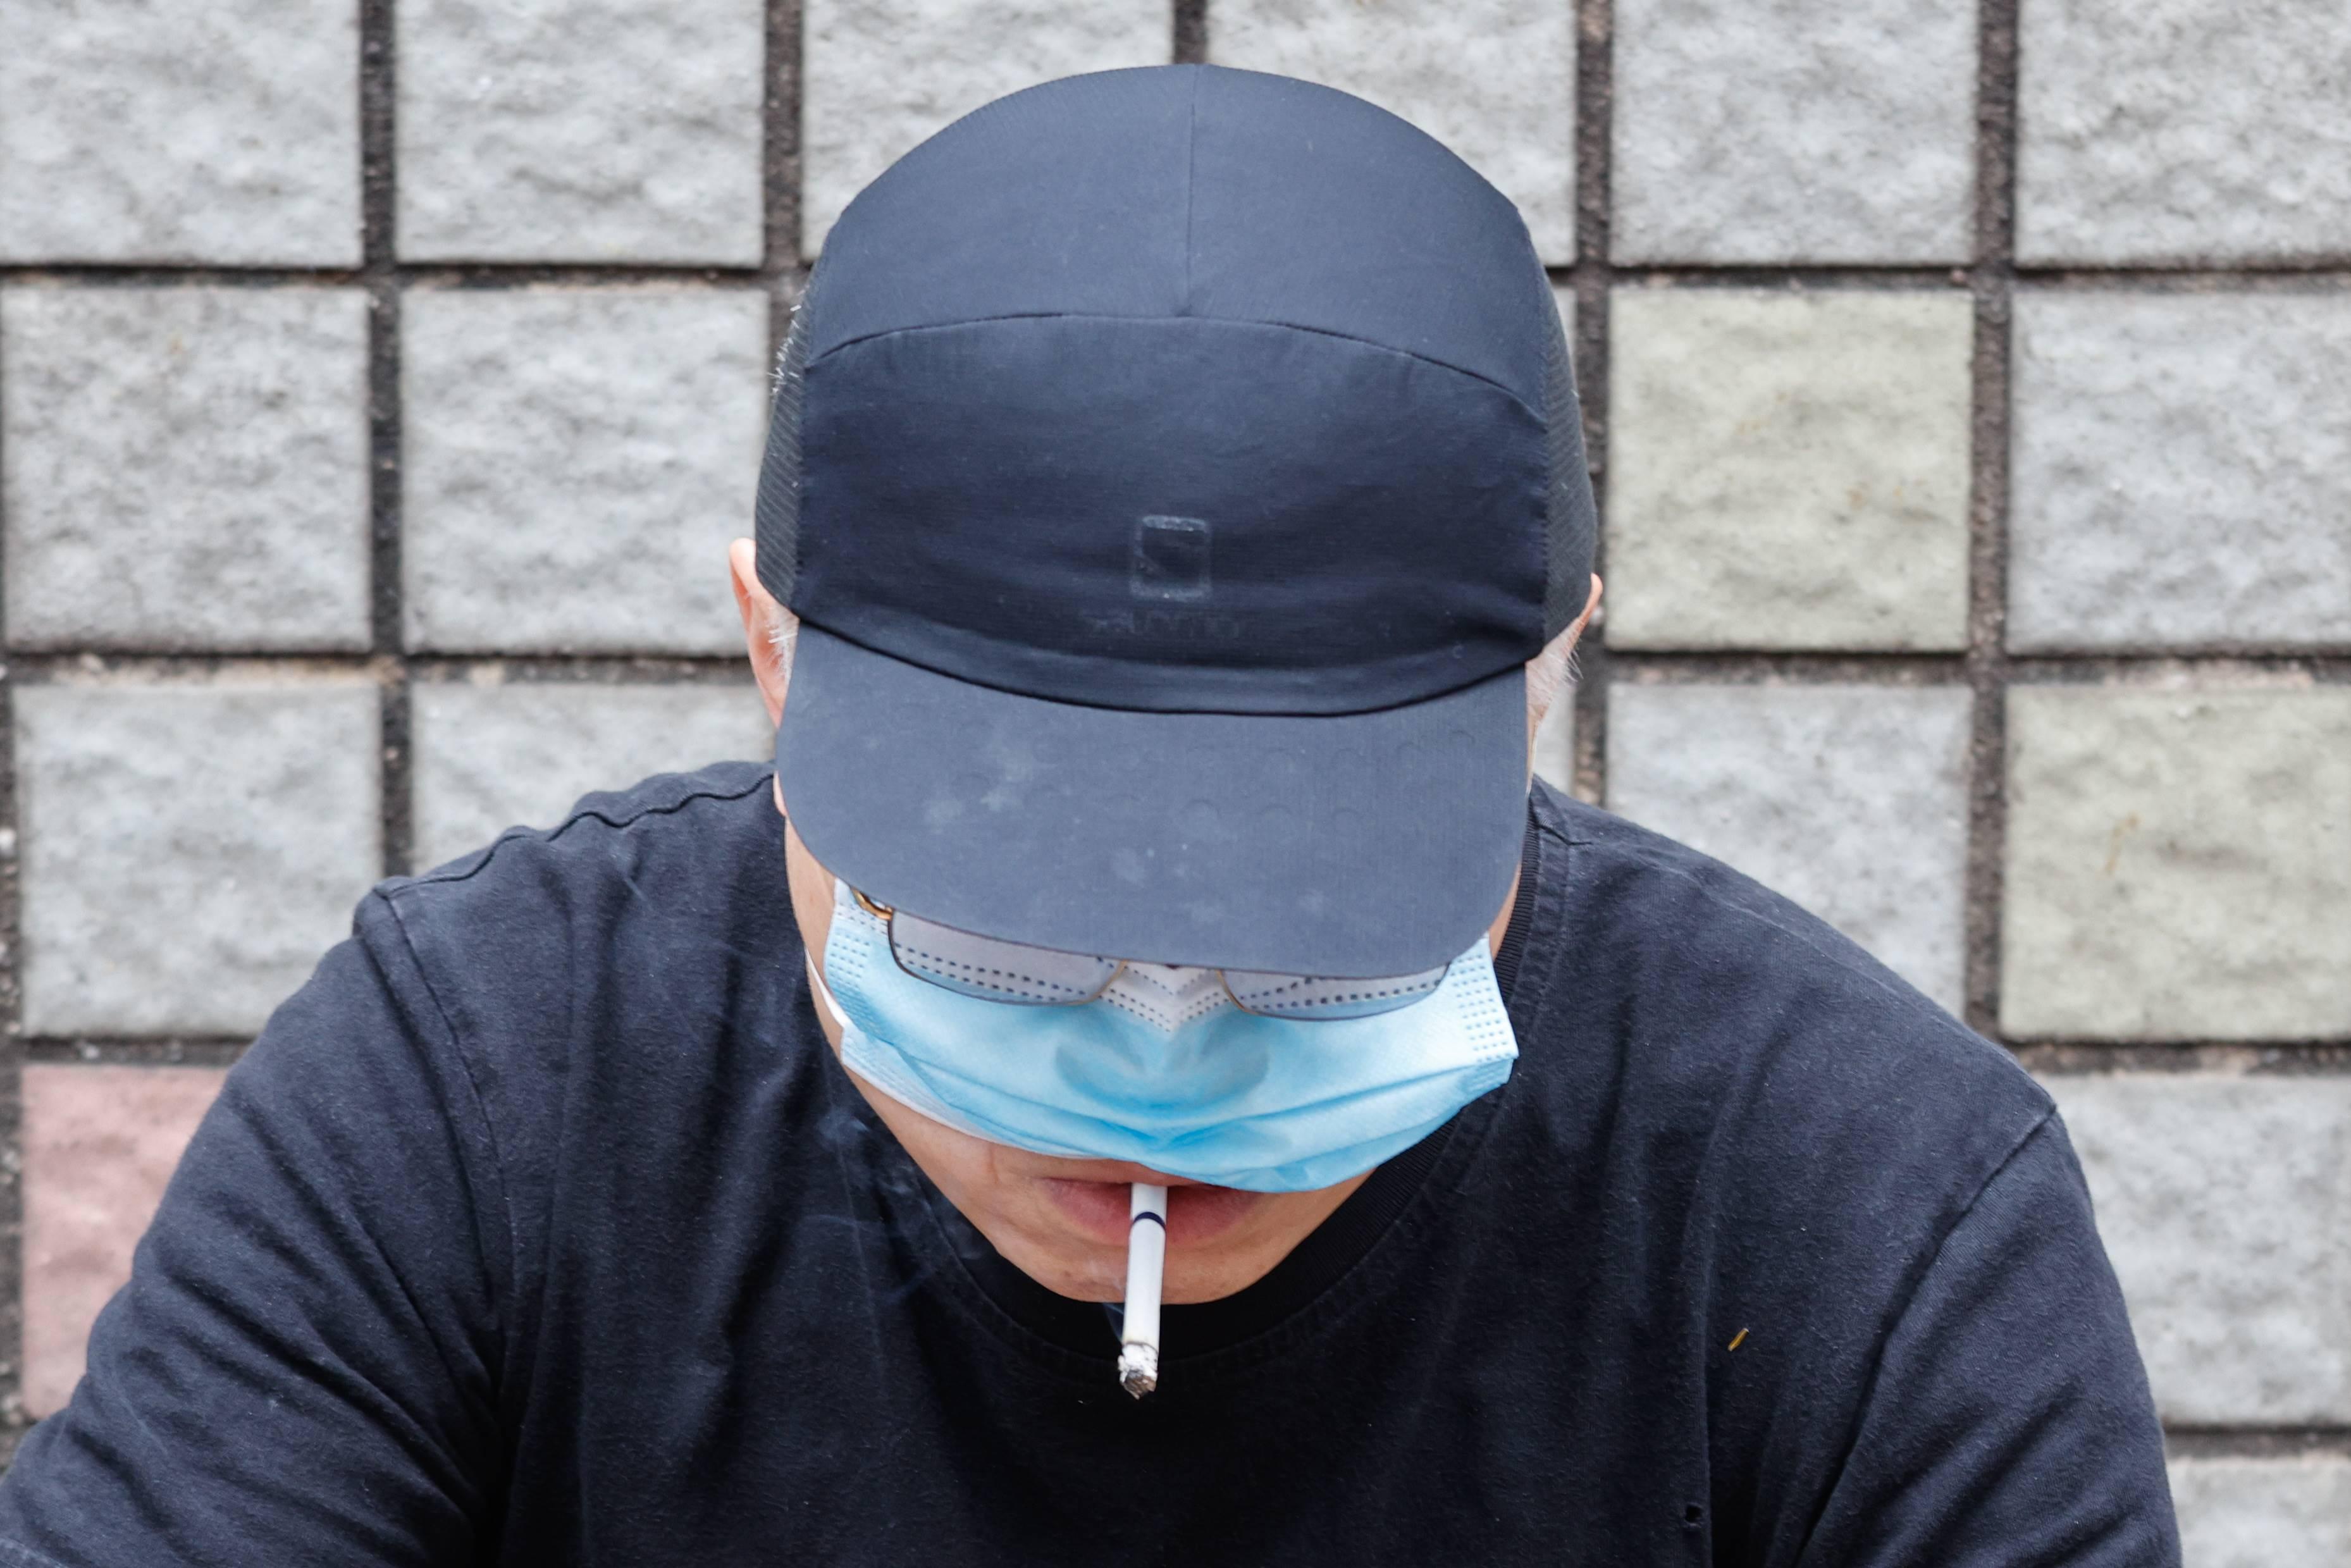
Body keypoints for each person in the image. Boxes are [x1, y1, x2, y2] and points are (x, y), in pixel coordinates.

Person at [0, 65, 2178, 1564]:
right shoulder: (484, 1096)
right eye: (1004, 918)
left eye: (1311, 927)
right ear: (773, 657)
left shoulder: (1864, 1219)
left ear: (1545, 684)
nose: (1158, 1055)